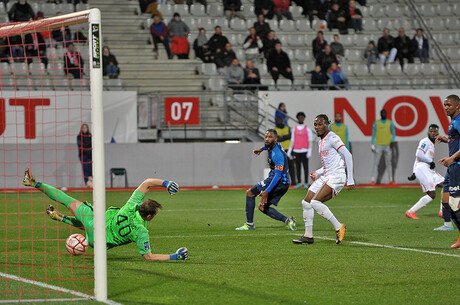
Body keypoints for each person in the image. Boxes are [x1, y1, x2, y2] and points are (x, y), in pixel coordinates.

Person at [22, 168, 187, 261]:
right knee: (88, 221)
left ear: (141, 205)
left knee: (68, 201)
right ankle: (60, 217)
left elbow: (147, 183)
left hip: (96, 221)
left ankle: (34, 183)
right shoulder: (141, 231)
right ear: (149, 216)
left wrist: (167, 183)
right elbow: (149, 257)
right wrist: (176, 256)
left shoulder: (131, 205)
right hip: (97, 242)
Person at [292, 114, 353, 245]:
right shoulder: (321, 141)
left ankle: (339, 226)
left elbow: (347, 155)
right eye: (315, 125)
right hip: (327, 175)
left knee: (314, 203)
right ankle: (308, 236)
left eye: (320, 124)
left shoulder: (332, 137)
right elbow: (329, 163)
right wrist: (318, 172)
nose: (317, 127)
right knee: (306, 202)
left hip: (337, 177)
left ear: (327, 124)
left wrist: (351, 179)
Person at [235, 129, 296, 231]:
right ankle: (288, 221)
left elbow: (278, 175)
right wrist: (261, 149)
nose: (267, 139)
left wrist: (266, 191)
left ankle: (250, 225)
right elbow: (268, 146)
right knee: (262, 207)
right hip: (276, 179)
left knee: (250, 193)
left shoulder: (277, 154)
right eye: (266, 136)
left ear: (275, 139)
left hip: (280, 182)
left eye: (270, 137)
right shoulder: (273, 145)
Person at [405, 125, 446, 222]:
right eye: (431, 131)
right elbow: (419, 154)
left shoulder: (432, 143)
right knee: (432, 194)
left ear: (438, 134)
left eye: (435, 132)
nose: (433, 133)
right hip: (423, 169)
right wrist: (430, 161)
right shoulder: (425, 141)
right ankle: (410, 212)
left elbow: (417, 159)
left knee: (446, 185)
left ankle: (442, 211)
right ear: (428, 132)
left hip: (427, 169)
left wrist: (414, 172)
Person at [435, 95, 460, 246]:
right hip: (452, 167)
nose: (446, 108)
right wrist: (448, 139)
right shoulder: (453, 123)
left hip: (457, 166)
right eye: (444, 105)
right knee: (446, 202)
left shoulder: (459, 121)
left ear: (458, 106)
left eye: (449, 105)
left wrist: (452, 158)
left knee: (454, 202)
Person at [287, 112, 313, 189]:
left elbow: (310, 140)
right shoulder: (294, 129)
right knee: (297, 167)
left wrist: (309, 150)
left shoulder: (307, 129)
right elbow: (292, 140)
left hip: (305, 150)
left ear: (303, 118)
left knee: (305, 167)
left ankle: (305, 182)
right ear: (297, 119)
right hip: (296, 151)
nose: (300, 119)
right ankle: (298, 182)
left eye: (302, 117)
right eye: (299, 117)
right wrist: (289, 150)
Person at [371, 109, 396, 185]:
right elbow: (373, 134)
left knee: (389, 163)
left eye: (384, 113)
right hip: (378, 145)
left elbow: (394, 134)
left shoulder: (390, 123)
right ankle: (373, 180)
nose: (383, 114)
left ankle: (391, 180)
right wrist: (372, 144)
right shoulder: (376, 123)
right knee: (376, 163)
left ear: (386, 114)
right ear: (380, 114)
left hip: (388, 146)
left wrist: (392, 141)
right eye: (382, 113)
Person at [275, 117, 296, 186]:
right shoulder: (275, 129)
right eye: (278, 120)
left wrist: (282, 137)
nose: (279, 121)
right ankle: (283, 182)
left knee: (291, 166)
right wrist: (285, 137)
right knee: (281, 167)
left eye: (280, 120)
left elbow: (290, 136)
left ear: (282, 120)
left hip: (289, 150)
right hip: (280, 150)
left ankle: (293, 182)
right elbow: (277, 138)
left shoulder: (287, 128)